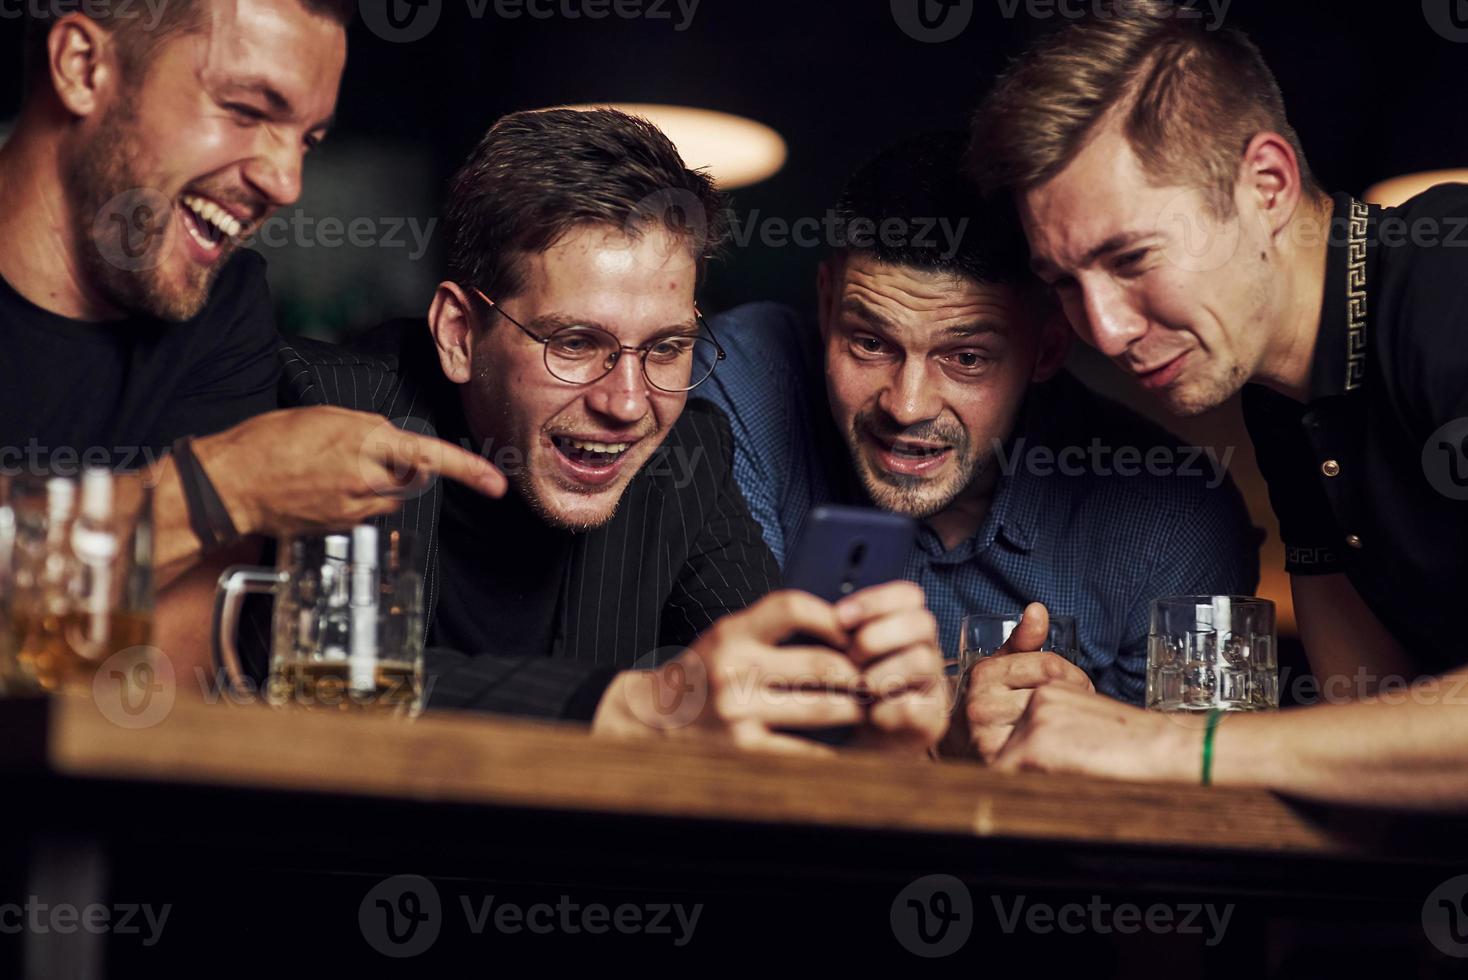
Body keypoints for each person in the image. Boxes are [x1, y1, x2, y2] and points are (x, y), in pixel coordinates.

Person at [281, 108, 950, 756]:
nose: (629, 404)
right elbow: (312, 684)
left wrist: (863, 721)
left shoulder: (689, 457)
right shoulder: (325, 410)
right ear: (459, 334)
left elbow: (766, 699)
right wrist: (637, 707)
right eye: (575, 343)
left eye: (665, 348)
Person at [966, 0, 1468, 807]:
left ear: (1266, 185)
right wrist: (1107, 730)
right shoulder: (1280, 391)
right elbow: (1359, 729)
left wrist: (1171, 744)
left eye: (1131, 256)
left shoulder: (1449, 285)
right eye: (1065, 282)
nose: (1103, 328)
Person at [694, 133, 1257, 752]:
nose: (906, 406)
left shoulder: (1174, 519)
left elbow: (1191, 823)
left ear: (1047, 348)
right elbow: (725, 726)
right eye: (871, 343)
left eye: (965, 358)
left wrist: (1087, 750)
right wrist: (941, 748)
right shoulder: (740, 379)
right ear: (827, 305)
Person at [0, 1, 506, 657]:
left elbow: (149, 693)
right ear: (82, 66)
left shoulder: (222, 311)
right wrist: (225, 485)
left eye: (307, 140)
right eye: (245, 109)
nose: (286, 182)